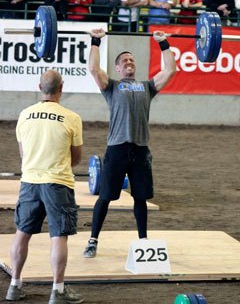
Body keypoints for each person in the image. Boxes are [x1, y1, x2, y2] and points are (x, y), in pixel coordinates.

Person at [82, 28, 176, 258]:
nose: (129, 62)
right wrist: (95, 41)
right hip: (117, 148)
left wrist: (163, 43)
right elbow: (93, 68)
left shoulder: (147, 87)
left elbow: (171, 70)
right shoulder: (112, 86)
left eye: (132, 59)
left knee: (140, 198)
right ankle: (93, 240)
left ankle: (143, 241)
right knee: (105, 197)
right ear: (117, 68)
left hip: (141, 150)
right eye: (124, 60)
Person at [5, 70, 84, 304]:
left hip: (29, 182)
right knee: (59, 236)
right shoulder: (71, 117)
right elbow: (76, 158)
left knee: (22, 233)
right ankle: (58, 291)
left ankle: (14, 286)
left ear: (40, 87)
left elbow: (23, 154)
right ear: (62, 88)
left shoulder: (25, 114)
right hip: (57, 183)